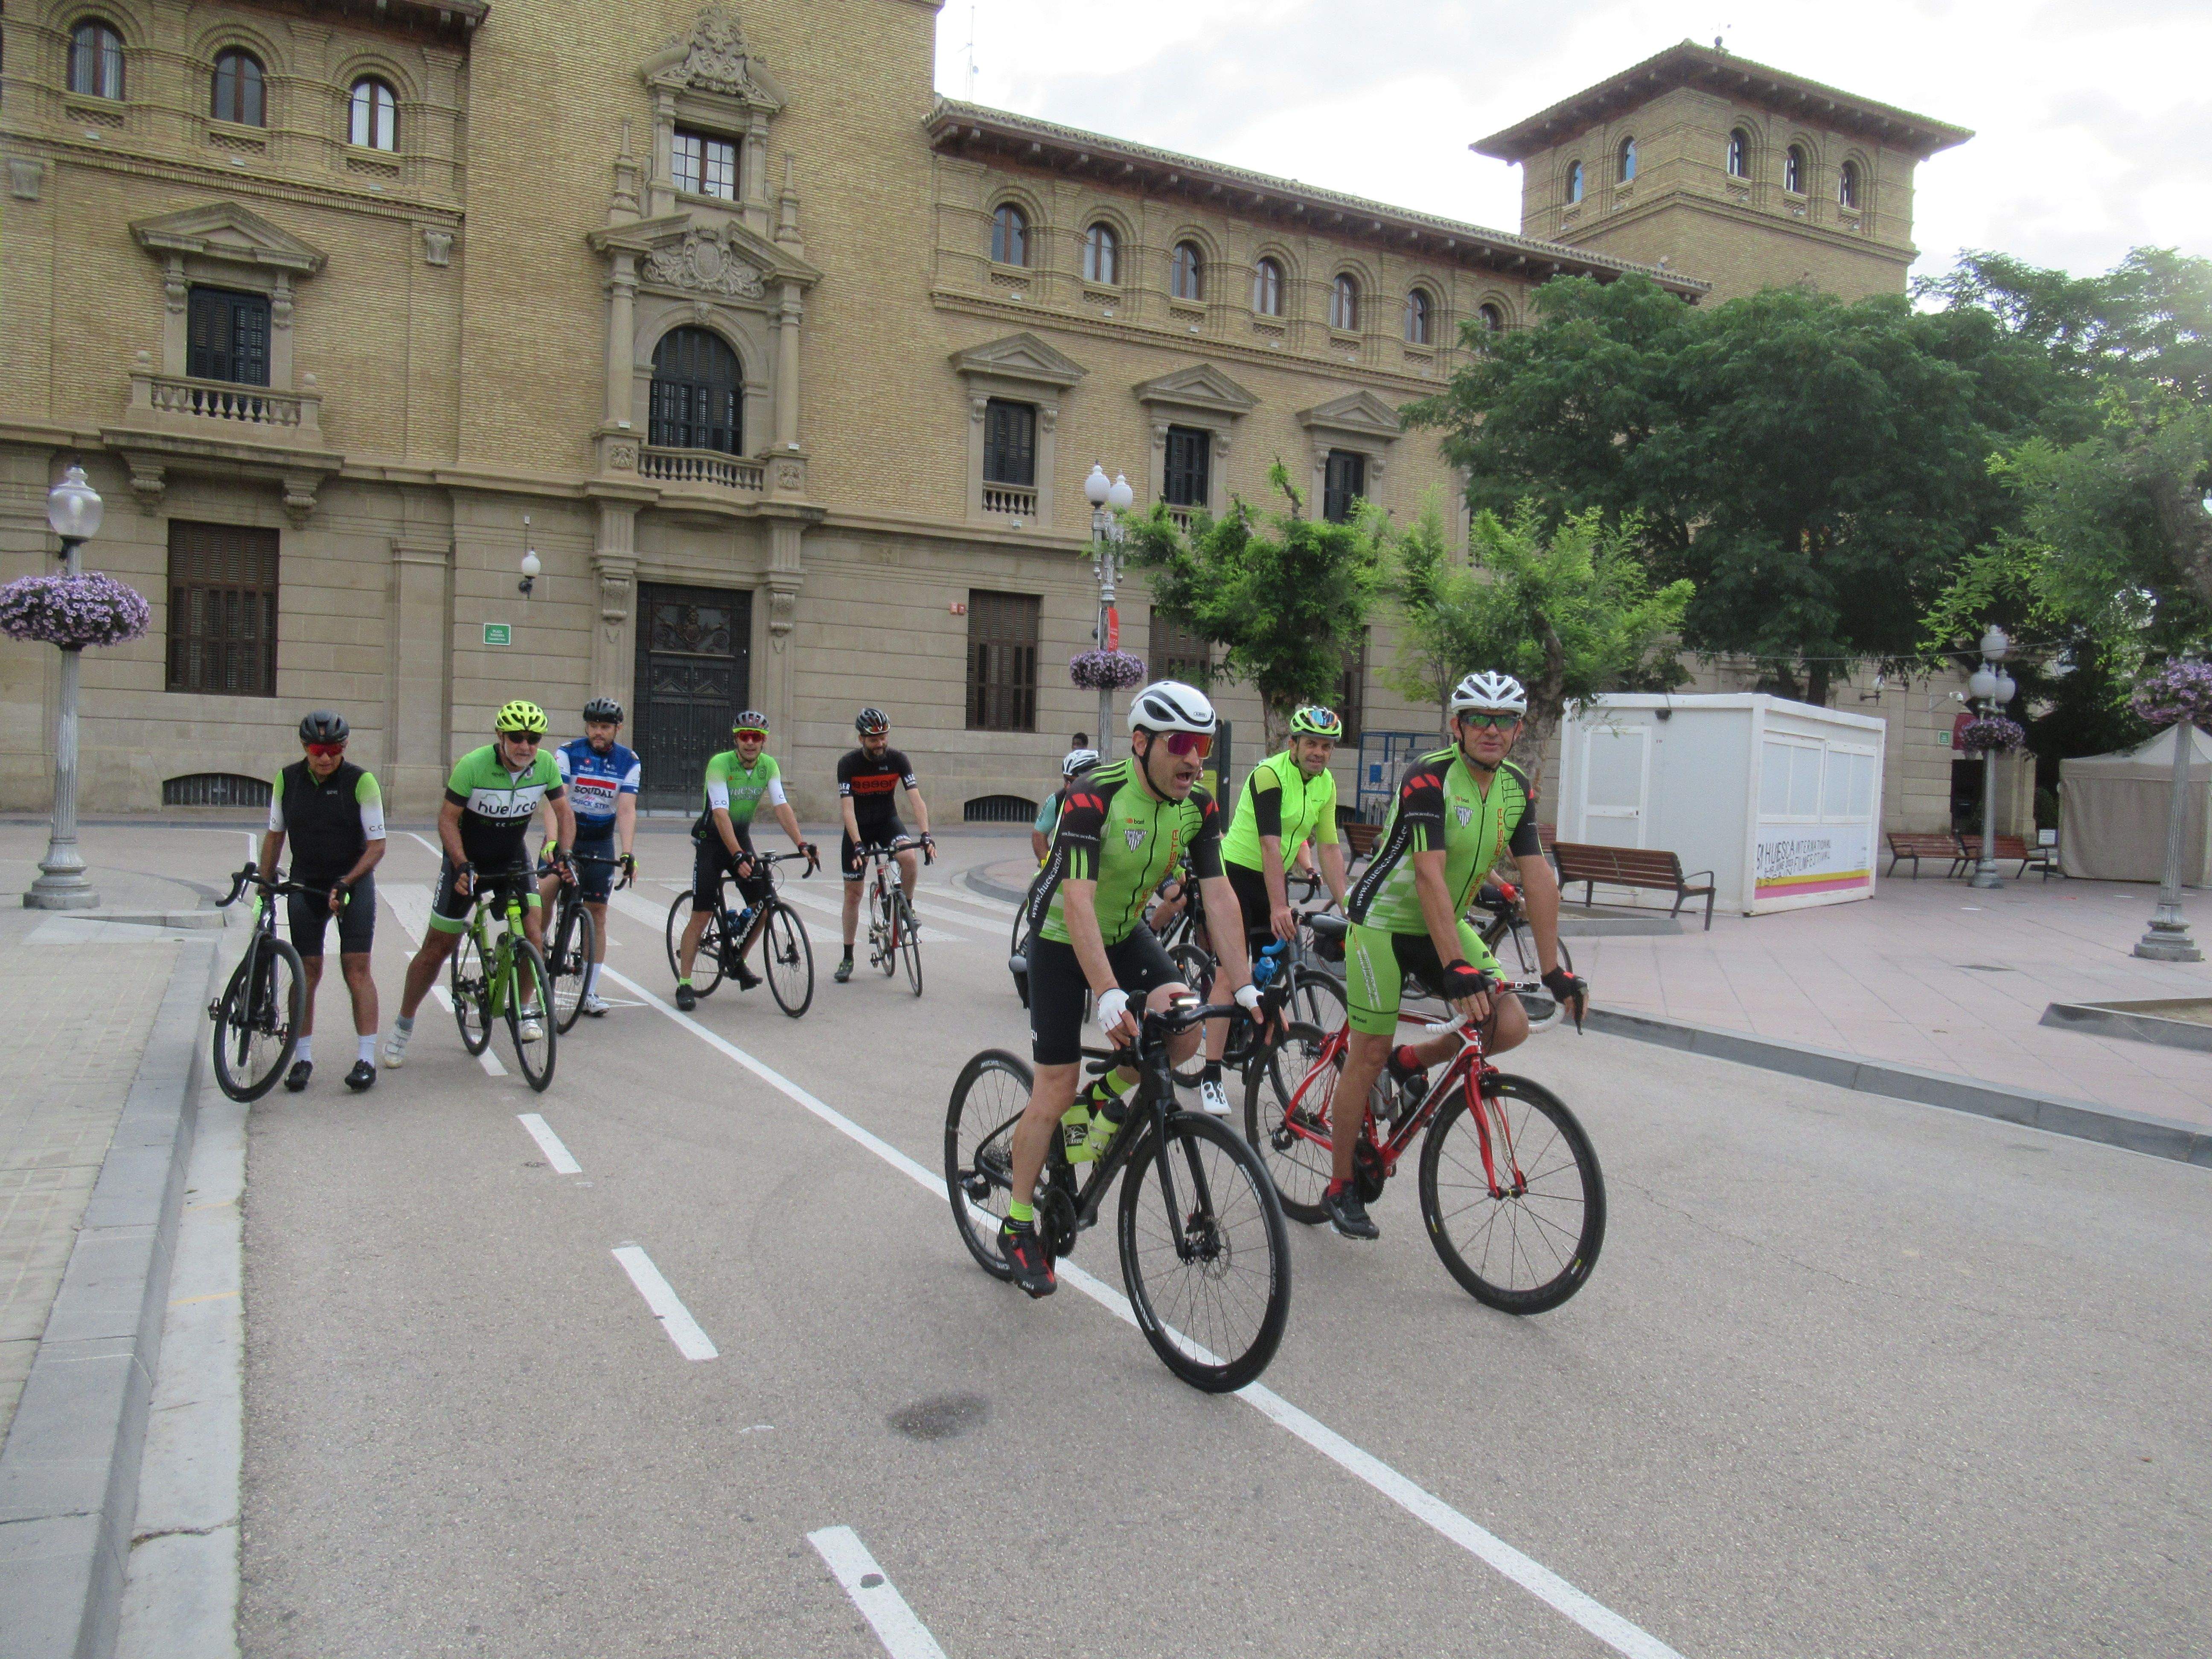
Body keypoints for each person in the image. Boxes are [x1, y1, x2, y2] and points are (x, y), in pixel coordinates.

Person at [996, 681, 1262, 1298]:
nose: (1195, 759)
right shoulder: (1095, 797)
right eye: (1181, 745)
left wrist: (1245, 987)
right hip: (1063, 935)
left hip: (1123, 930)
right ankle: (1016, 1222)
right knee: (1056, 1084)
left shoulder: (1198, 804)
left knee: (1185, 1027)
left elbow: (1219, 895)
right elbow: (1078, 899)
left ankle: (1098, 1107)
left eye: (1204, 745)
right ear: (1141, 743)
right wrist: (1109, 992)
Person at [1327, 671, 1586, 1240]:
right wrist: (1454, 963)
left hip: (1443, 919)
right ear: (1457, 726)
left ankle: (1413, 1063)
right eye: (1478, 719)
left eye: (1503, 721)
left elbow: (1539, 878)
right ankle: (1341, 1183)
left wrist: (1554, 971)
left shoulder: (1518, 788)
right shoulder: (1429, 779)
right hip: (1385, 923)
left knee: (1510, 1022)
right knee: (1368, 1051)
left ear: (1518, 729)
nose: (1491, 730)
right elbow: (1428, 874)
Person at [380, 701, 576, 1068]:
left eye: (533, 739)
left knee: (534, 931)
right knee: (437, 948)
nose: (526, 746)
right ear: (501, 737)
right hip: (467, 858)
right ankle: (403, 1025)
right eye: (517, 738)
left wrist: (565, 853)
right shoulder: (473, 765)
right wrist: (460, 866)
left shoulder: (545, 765)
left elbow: (565, 813)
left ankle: (525, 1009)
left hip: (510, 855)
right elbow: (447, 821)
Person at [1191, 704, 1354, 1115]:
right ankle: (1211, 1075)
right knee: (1233, 972)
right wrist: (1280, 905)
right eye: (1312, 744)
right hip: (1236, 875)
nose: (1319, 752)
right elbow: (1269, 843)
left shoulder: (1326, 784)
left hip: (1270, 877)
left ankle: (1251, 1033)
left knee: (1274, 966)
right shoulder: (1270, 775)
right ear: (1294, 744)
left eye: (1326, 746)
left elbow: (1331, 847)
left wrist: (1352, 907)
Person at [257, 710, 386, 1093]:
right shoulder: (288, 779)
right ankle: (301, 1060)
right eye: (317, 750)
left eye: (333, 750)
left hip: (353, 880)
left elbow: (378, 846)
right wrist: (265, 884)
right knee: (306, 971)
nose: (325, 758)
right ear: (305, 748)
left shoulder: (362, 781)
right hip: (307, 882)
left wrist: (347, 882)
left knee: (356, 969)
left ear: (344, 748)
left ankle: (366, 1059)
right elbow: (275, 835)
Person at [675, 710, 815, 1011]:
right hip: (712, 841)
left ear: (764, 742)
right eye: (745, 737)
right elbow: (721, 812)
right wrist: (736, 854)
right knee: (701, 915)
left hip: (740, 838)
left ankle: (736, 959)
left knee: (765, 905)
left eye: (757, 738)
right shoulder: (720, 764)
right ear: (736, 739)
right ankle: (685, 983)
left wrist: (801, 844)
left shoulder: (769, 766)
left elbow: (781, 807)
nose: (750, 743)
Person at [538, 697, 638, 1017]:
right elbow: (557, 802)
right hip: (567, 834)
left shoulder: (629, 761)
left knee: (597, 912)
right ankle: (534, 955)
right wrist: (553, 843)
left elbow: (626, 809)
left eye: (605, 727)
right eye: (593, 726)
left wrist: (627, 852)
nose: (598, 732)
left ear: (617, 729)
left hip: (598, 841)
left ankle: (590, 990)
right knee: (543, 897)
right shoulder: (568, 753)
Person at [834, 707, 933, 984]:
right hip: (860, 828)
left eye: (883, 737)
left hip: (887, 821)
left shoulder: (899, 760)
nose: (880, 743)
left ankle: (907, 908)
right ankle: (848, 956)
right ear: (861, 739)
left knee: (910, 860)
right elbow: (848, 810)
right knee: (853, 894)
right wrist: (856, 844)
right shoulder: (849, 764)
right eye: (873, 739)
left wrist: (925, 834)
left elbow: (916, 799)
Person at [1030, 747, 1101, 863]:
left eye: (1073, 781)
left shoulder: (1111, 798)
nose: (1067, 786)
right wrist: (1048, 866)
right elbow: (1038, 836)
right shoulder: (1057, 800)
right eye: (1066, 780)